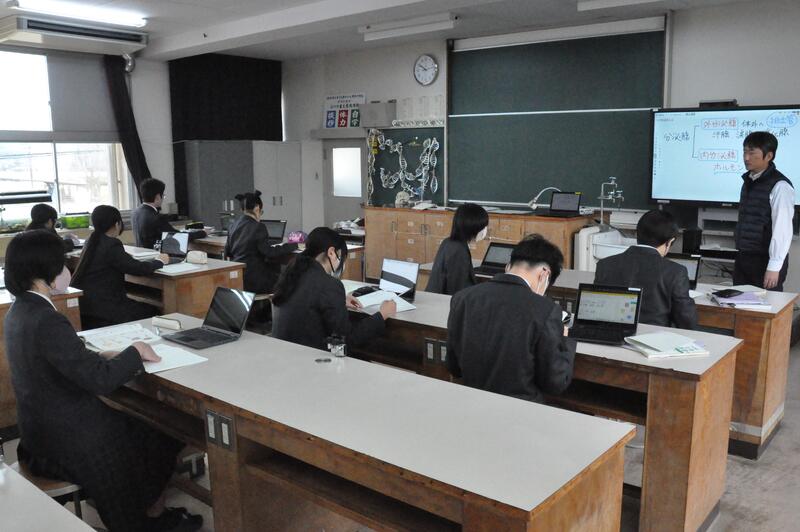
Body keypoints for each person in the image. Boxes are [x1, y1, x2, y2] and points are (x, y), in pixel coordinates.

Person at [3, 230, 202, 532]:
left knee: (139, 425)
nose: (66, 269)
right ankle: (144, 519)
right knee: (162, 433)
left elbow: (61, 360)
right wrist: (135, 352)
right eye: (62, 264)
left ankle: (144, 509)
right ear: (46, 273)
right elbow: (100, 381)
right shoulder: (47, 319)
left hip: (38, 432)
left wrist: (104, 355)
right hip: (69, 438)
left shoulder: (19, 311)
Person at [446, 234, 575, 403]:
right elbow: (555, 383)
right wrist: (564, 340)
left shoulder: (462, 298)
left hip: (472, 402)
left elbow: (454, 367)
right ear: (545, 274)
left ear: (508, 266)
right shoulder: (546, 310)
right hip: (520, 409)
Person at [271, 227, 396, 351]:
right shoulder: (329, 285)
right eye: (340, 256)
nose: (341, 262)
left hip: (283, 352)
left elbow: (309, 298)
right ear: (331, 252)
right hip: (311, 357)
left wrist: (338, 299)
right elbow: (347, 340)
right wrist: (382, 315)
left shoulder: (292, 273)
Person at [594, 210, 698, 329]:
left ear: (636, 234)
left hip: (611, 335)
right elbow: (687, 322)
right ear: (670, 242)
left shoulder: (605, 265)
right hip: (655, 338)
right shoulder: (676, 272)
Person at [70, 205, 169, 329]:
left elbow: (119, 261)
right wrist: (159, 261)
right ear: (117, 224)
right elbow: (137, 268)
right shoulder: (112, 244)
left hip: (86, 307)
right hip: (105, 308)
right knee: (152, 311)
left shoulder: (91, 240)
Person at [734, 131, 794, 291]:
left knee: (767, 305)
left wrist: (774, 266)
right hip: (744, 257)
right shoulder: (748, 181)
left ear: (768, 156)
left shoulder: (780, 186)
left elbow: (782, 229)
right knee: (738, 303)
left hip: (765, 260)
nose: (746, 157)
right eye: (744, 152)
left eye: (752, 152)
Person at [224, 190, 297, 294]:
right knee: (285, 279)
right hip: (255, 280)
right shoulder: (258, 227)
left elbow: (227, 252)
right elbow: (269, 252)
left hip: (239, 277)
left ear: (242, 209)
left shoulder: (233, 226)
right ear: (257, 208)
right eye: (261, 212)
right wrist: (291, 246)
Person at [426, 203, 489, 295]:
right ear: (474, 226)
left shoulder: (448, 242)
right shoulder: (459, 250)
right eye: (484, 226)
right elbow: (457, 288)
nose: (485, 230)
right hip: (445, 301)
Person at [131, 178, 206, 249]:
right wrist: (203, 233)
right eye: (163, 195)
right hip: (157, 256)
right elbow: (178, 237)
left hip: (142, 254)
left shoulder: (135, 213)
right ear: (157, 197)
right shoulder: (156, 218)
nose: (163, 198)